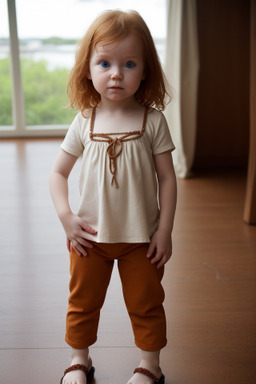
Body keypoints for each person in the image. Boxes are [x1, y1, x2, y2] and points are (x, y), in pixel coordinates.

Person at [50, 9, 177, 384]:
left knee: (146, 303)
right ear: (88, 69)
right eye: (105, 62)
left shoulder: (152, 121)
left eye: (129, 63)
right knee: (83, 302)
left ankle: (150, 367)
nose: (117, 73)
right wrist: (66, 217)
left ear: (145, 71)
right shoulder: (84, 120)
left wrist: (164, 230)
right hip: (89, 237)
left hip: (142, 239)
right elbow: (58, 172)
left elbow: (168, 180)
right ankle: (78, 361)